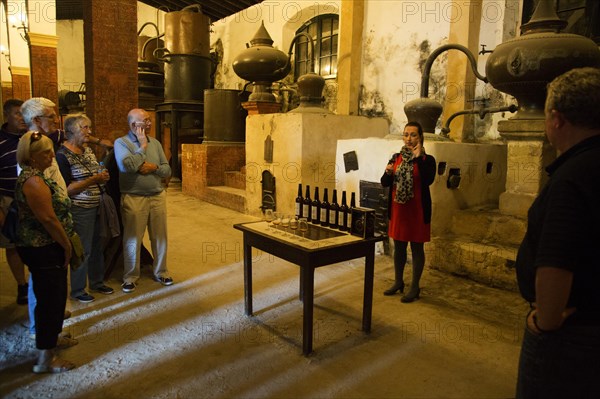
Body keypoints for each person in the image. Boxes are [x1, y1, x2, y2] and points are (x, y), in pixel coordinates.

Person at [515, 67, 600, 398]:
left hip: (571, 335)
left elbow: (556, 261)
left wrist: (544, 322)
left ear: (556, 119)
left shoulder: (571, 179)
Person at [15, 131, 77, 373]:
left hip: (46, 247)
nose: (52, 155)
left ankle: (53, 339)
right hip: (43, 248)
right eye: (45, 152)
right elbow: (49, 220)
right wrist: (66, 244)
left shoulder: (37, 175)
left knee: (56, 298)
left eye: (52, 150)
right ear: (31, 157)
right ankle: (45, 359)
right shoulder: (33, 181)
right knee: (49, 302)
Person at [21, 97, 69, 338]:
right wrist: (64, 240)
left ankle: (52, 323)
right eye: (52, 116)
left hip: (54, 225)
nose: (56, 120)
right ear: (36, 120)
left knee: (52, 286)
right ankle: (39, 331)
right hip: (43, 235)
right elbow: (44, 213)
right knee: (43, 284)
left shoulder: (44, 144)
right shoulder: (32, 151)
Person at [56, 114, 114, 303]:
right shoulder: (62, 156)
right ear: (71, 131)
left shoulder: (87, 150)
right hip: (80, 210)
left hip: (97, 206)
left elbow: (94, 170)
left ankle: (97, 282)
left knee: (98, 246)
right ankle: (78, 290)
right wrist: (93, 180)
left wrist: (101, 173)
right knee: (83, 250)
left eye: (89, 127)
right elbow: (66, 189)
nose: (89, 131)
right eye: (85, 128)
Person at [114, 108, 172, 293]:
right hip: (134, 198)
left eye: (149, 120)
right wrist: (142, 146)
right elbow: (127, 166)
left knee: (160, 237)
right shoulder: (121, 143)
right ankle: (130, 276)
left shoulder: (156, 143)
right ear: (133, 125)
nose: (149, 123)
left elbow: (167, 170)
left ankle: (161, 271)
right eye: (145, 121)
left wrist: (153, 167)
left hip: (157, 196)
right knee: (133, 238)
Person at [380, 121, 436, 303]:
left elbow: (428, 180)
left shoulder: (428, 160)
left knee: (417, 248)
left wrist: (418, 158)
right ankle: (398, 282)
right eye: (406, 134)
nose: (409, 139)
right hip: (399, 210)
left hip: (417, 210)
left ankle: (414, 286)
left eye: (413, 135)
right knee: (399, 247)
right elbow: (384, 182)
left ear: (420, 138)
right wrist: (388, 173)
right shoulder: (395, 157)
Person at [0, 99, 28, 304]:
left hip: (32, 200)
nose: (22, 118)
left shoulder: (30, 137)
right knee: (12, 245)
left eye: (24, 114)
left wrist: (98, 141)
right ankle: (21, 285)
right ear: (6, 115)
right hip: (8, 200)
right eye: (17, 113)